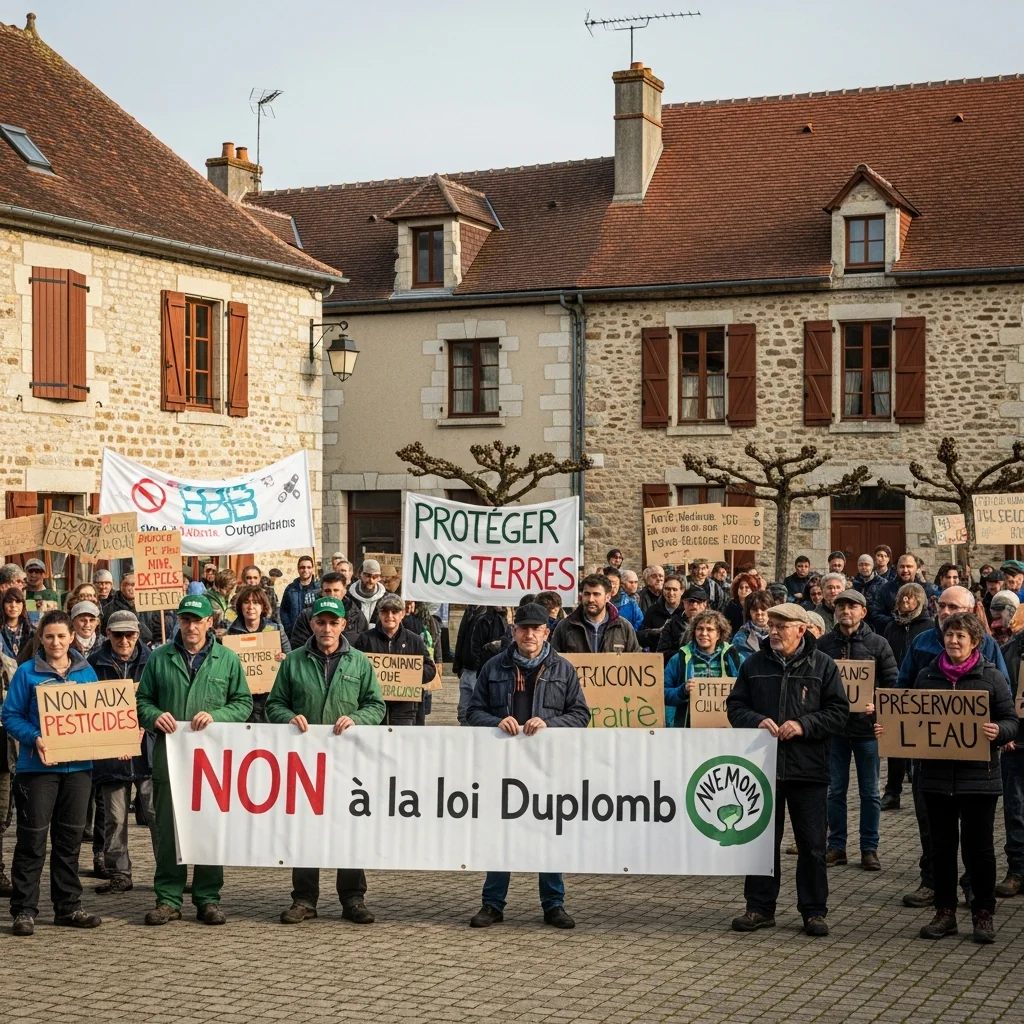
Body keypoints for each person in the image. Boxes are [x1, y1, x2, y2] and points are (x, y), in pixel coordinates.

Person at [878, 612, 1017, 943]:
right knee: (941, 849)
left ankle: (983, 913)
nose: (953, 641)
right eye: (949, 635)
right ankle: (945, 912)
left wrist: (999, 731)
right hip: (936, 779)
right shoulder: (927, 677)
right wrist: (890, 729)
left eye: (961, 636)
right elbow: (907, 716)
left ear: (974, 642)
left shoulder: (992, 678)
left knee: (979, 850)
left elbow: (1011, 719)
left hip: (978, 780)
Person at [727, 603, 849, 936]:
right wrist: (755, 720)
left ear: (801, 629)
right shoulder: (754, 664)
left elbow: (839, 712)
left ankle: (813, 911)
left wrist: (803, 725)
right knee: (763, 843)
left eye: (782, 625)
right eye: (772, 625)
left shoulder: (822, 665)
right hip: (763, 770)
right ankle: (759, 908)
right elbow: (735, 705)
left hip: (808, 769)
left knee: (812, 845)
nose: (774, 631)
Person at [466, 603, 590, 929]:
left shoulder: (563, 670)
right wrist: (496, 721)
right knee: (501, 833)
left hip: (547, 767)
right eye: (524, 628)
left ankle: (554, 905)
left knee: (548, 832)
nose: (529, 634)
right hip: (503, 767)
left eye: (536, 628)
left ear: (546, 632)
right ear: (513, 631)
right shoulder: (493, 667)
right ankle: (492, 904)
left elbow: (580, 715)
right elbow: (472, 713)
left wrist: (549, 724)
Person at [267, 595, 386, 924]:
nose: (327, 628)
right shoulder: (293, 662)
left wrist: (357, 719)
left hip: (348, 761)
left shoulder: (360, 662)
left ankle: (353, 898)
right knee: (306, 827)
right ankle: (304, 899)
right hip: (305, 763)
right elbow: (275, 704)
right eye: (321, 622)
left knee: (348, 825)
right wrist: (289, 717)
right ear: (312, 624)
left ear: (343, 625)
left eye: (334, 622)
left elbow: (376, 706)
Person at [135, 594, 252, 926]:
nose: (190, 626)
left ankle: (207, 898)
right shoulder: (160, 658)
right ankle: (169, 898)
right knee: (171, 829)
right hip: (169, 759)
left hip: (212, 762)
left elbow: (243, 703)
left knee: (209, 828)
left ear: (209, 623)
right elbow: (142, 701)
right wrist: (155, 716)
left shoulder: (227, 659)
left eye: (196, 620)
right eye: (184, 620)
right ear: (178, 622)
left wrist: (217, 715)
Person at [897, 585, 1011, 909]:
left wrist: (999, 730)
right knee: (936, 837)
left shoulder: (989, 655)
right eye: (942, 606)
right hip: (933, 765)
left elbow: (1005, 705)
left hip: (976, 769)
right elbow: (903, 692)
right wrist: (889, 721)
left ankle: (976, 895)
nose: (947, 614)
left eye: (954, 608)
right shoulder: (922, 649)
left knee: (978, 844)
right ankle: (933, 888)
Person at [2, 610, 103, 935]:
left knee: (70, 840)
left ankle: (68, 907)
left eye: (61, 636)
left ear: (72, 637)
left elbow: (100, 717)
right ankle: (23, 910)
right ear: (40, 639)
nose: (56, 642)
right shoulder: (27, 673)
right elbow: (11, 715)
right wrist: (36, 738)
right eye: (49, 637)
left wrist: (122, 736)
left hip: (79, 770)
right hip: (38, 769)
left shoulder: (86, 672)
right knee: (32, 841)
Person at [816, 589, 896, 871]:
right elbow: (815, 682)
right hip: (835, 730)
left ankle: (869, 848)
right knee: (835, 790)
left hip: (866, 730)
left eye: (851, 606)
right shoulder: (823, 644)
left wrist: (879, 704)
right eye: (841, 607)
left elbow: (892, 683)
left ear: (863, 612)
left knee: (870, 792)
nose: (845, 611)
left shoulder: (879, 644)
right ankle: (836, 846)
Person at [88, 610, 156, 895]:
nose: (124, 640)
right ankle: (119, 873)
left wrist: (145, 726)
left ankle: (168, 871)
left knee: (155, 814)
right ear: (107, 634)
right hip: (110, 754)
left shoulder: (154, 661)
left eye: (129, 634)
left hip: (148, 752)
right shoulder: (92, 664)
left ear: (138, 635)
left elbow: (161, 700)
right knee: (115, 818)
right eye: (118, 634)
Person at [880, 582, 933, 811]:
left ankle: (922, 791)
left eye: (909, 599)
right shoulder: (892, 627)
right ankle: (893, 792)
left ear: (919, 601)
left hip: (919, 691)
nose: (904, 602)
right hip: (896, 690)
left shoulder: (928, 627)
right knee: (895, 745)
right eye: (901, 598)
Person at [354, 593, 436, 726]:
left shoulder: (414, 640)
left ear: (402, 614)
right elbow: (354, 668)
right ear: (379, 614)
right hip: (372, 707)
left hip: (405, 709)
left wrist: (410, 673)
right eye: (385, 611)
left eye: (395, 611)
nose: (390, 616)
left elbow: (430, 670)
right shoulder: (365, 639)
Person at [663, 610, 741, 727]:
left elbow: (749, 691)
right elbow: (662, 693)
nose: (704, 633)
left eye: (710, 629)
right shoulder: (679, 659)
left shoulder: (735, 658)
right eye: (700, 629)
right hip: (689, 727)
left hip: (726, 727)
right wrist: (682, 691)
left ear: (719, 634)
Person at [226, 585, 290, 722]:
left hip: (268, 695)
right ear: (240, 606)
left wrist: (283, 658)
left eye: (256, 602)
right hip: (240, 696)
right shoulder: (230, 632)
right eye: (246, 602)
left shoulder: (275, 629)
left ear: (263, 607)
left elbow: (289, 657)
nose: (251, 607)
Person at [995, 611, 1024, 899]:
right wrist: (1007, 731)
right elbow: (1001, 695)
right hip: (1016, 745)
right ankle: (1016, 870)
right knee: (1015, 811)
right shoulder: (1008, 652)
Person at [551, 574, 640, 655]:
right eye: (587, 594)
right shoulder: (565, 626)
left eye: (596, 594)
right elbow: (553, 662)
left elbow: (635, 661)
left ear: (608, 597)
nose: (591, 599)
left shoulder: (623, 627)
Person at [289, 572, 368, 649]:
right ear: (322, 591)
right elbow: (298, 646)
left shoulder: (357, 616)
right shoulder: (307, 615)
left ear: (344, 591)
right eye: (327, 591)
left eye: (336, 590)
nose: (331, 595)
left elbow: (365, 646)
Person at [656, 585, 710, 660]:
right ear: (683, 602)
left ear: (705, 603)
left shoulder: (714, 624)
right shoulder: (673, 624)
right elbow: (661, 653)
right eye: (690, 601)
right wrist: (685, 654)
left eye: (698, 602)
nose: (694, 605)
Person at [100, 574, 154, 646]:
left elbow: (158, 629)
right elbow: (105, 633)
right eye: (128, 584)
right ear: (121, 586)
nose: (132, 588)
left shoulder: (151, 606)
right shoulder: (108, 609)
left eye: (135, 585)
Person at [637, 573, 684, 650]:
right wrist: (655, 632)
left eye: (674, 589)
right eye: (667, 589)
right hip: (657, 656)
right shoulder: (653, 611)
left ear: (682, 591)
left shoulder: (686, 612)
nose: (671, 593)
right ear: (662, 589)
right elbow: (640, 637)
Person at [280, 555, 320, 637]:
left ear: (313, 569)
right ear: (298, 569)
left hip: (315, 633)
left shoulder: (319, 588)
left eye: (308, 567)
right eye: (302, 567)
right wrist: (289, 628)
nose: (305, 570)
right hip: (295, 634)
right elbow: (284, 610)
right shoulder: (290, 589)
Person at [732, 591, 774, 663]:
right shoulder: (740, 638)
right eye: (755, 610)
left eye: (764, 608)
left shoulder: (780, 633)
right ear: (749, 612)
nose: (759, 613)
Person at [851, 554, 889, 633]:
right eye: (861, 565)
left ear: (872, 566)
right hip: (858, 624)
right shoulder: (854, 583)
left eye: (867, 565)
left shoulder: (882, 583)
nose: (864, 568)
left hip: (878, 625)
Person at [470, 605, 510, 671]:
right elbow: (476, 647)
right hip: (486, 667)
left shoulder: (503, 619)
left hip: (500, 667)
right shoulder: (482, 621)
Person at [349, 559, 387, 624]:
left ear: (379, 578)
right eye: (367, 576)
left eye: (375, 577)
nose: (371, 580)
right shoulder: (349, 596)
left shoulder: (385, 598)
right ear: (360, 574)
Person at [1, 586, 33, 660]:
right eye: (9, 601)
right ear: (3, 604)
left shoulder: (31, 632)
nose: (13, 605)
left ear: (23, 605)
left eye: (18, 601)